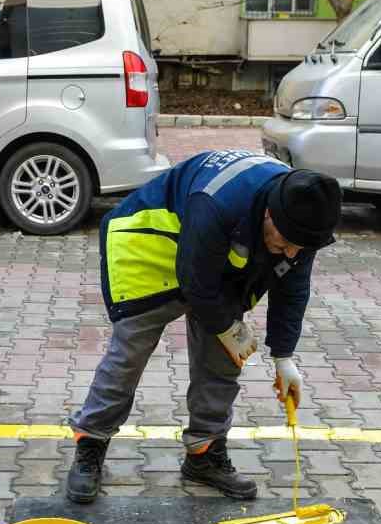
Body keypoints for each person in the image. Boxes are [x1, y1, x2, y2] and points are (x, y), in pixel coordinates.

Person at [66, 150, 342, 504]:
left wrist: (283, 356)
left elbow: (293, 286)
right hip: (152, 244)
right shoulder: (216, 202)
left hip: (216, 254)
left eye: (298, 248)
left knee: (225, 358)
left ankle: (204, 453)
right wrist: (229, 328)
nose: (290, 253)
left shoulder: (305, 216)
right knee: (130, 353)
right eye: (285, 242)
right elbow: (197, 283)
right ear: (271, 213)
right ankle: (91, 442)